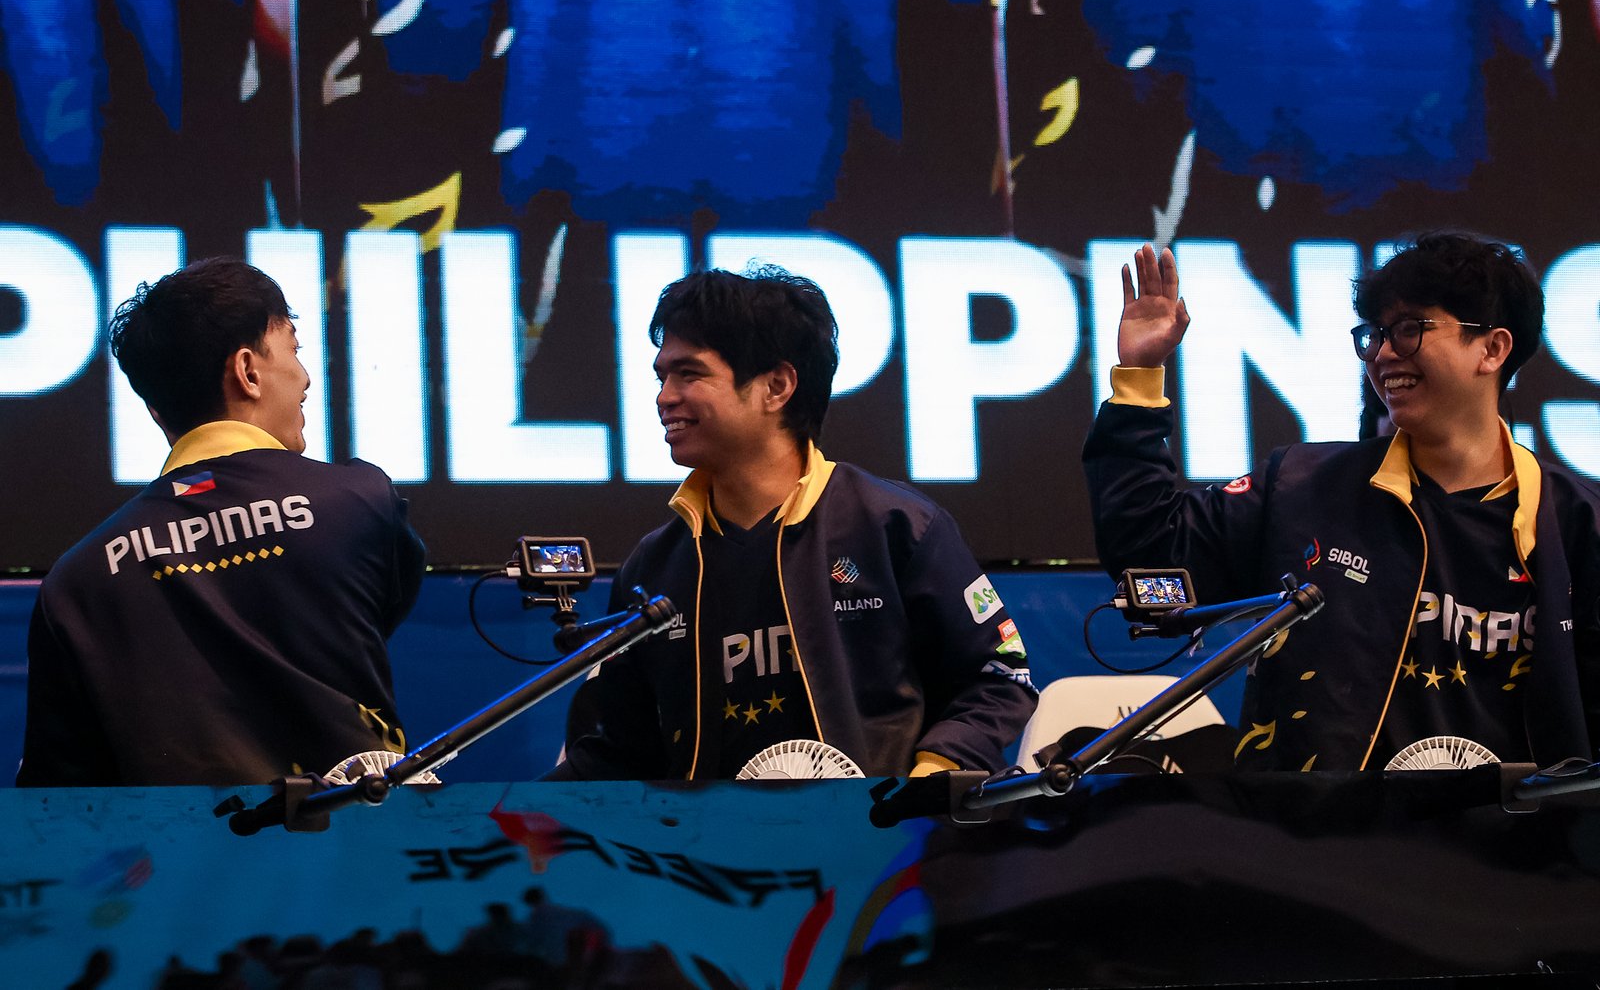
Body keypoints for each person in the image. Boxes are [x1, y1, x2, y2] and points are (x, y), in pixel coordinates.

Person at [1084, 233, 1600, 771]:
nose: (1383, 353)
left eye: (1410, 329)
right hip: (1312, 842)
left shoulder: (1576, 521)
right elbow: (1149, 551)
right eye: (1375, 334)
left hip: (1511, 848)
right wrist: (1140, 379)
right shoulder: (1300, 484)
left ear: (1493, 348)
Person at [556, 266, 1037, 780]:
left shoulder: (896, 526)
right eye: (662, 377)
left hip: (877, 848)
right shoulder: (652, 567)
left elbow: (999, 674)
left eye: (689, 374)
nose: (664, 397)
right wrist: (491, 822)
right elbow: (614, 750)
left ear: (777, 386)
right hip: (704, 856)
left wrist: (932, 776)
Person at [17, 256, 425, 786]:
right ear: (248, 372)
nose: (305, 378)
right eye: (295, 351)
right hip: (358, 858)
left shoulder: (76, 582)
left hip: (172, 867)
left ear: (156, 411)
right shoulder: (360, 500)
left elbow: (57, 802)